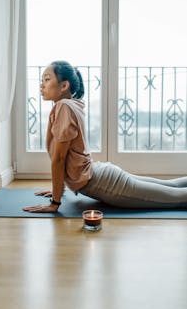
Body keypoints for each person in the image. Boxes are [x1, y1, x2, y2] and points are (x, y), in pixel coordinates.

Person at [23, 60, 187, 213]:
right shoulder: (70, 104)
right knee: (171, 186)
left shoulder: (63, 107)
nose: (41, 85)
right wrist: (58, 189)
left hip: (105, 183)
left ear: (64, 85)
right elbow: (66, 157)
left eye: (46, 79)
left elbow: (59, 159)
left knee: (177, 198)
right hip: (103, 175)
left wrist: (55, 203)